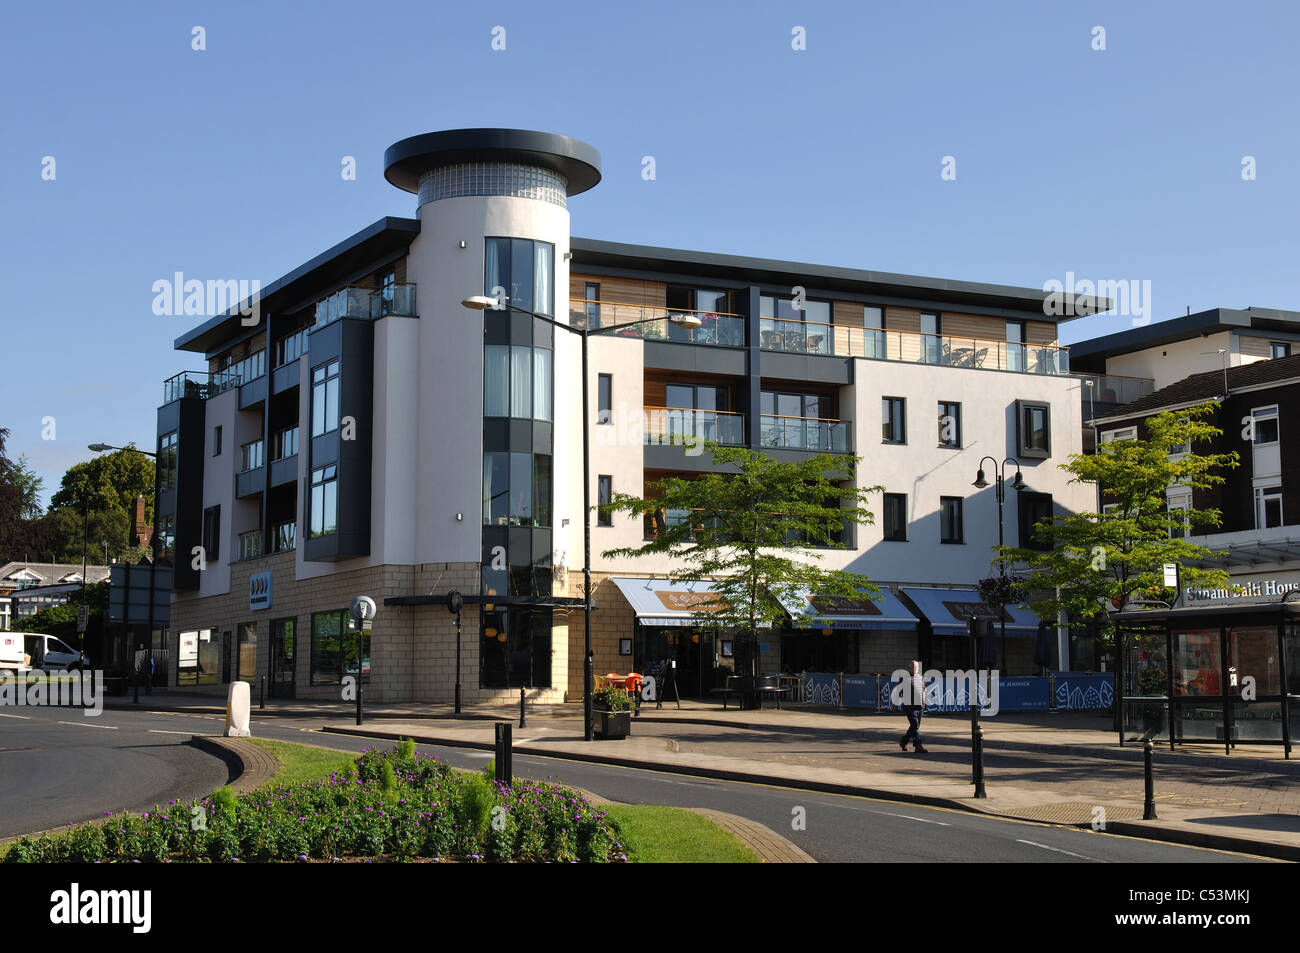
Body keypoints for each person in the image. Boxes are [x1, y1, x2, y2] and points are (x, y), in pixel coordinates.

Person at [899, 660, 928, 753]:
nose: (915, 669)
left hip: (919, 706)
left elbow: (923, 690)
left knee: (915, 726)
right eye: (913, 667)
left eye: (916, 667)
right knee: (915, 725)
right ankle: (918, 745)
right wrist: (894, 704)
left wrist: (924, 702)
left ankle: (903, 742)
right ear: (910, 668)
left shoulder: (921, 678)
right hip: (909, 706)